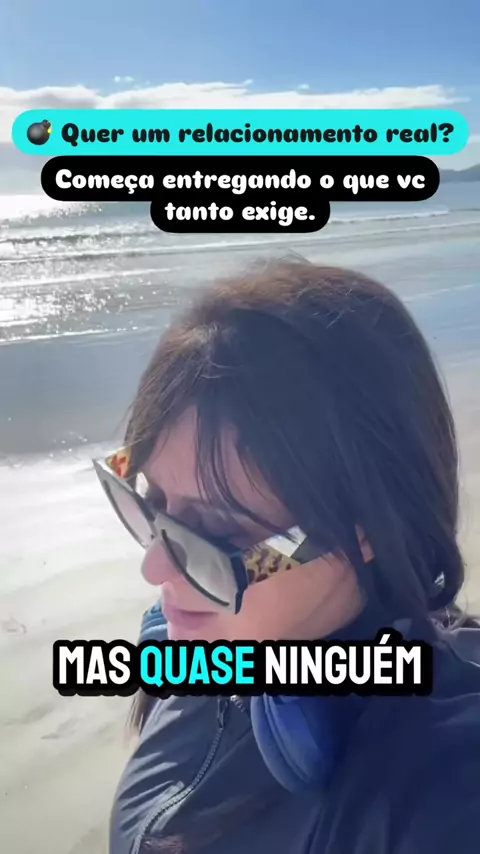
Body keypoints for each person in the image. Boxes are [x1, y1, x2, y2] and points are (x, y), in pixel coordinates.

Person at [96, 258, 480, 854]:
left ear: (364, 528)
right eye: (150, 503)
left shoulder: (439, 792)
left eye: (215, 529)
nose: (155, 567)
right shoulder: (211, 645)